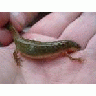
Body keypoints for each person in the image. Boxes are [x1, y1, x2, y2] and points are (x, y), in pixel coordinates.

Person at [0, 12, 96, 84]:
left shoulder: (62, 50)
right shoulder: (19, 45)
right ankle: (9, 26)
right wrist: (16, 60)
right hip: (24, 46)